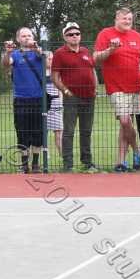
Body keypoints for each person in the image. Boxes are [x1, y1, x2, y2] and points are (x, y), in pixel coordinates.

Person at [94, 8, 140, 173]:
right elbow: (96, 58)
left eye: (129, 19)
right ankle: (137, 150)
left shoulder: (135, 35)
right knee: (125, 121)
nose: (127, 21)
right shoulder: (106, 34)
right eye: (124, 19)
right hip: (116, 86)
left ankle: (120, 162)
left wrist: (138, 58)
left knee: (125, 126)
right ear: (116, 19)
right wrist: (111, 50)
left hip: (134, 86)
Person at [51, 21, 99, 172]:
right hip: (71, 97)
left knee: (86, 131)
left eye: (77, 33)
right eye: (70, 34)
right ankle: (68, 164)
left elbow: (92, 70)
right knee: (69, 131)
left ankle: (87, 162)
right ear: (65, 37)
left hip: (89, 97)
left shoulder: (85, 51)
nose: (74, 36)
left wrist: (95, 88)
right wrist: (66, 91)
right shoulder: (59, 53)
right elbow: (55, 76)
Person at [3, 28, 47, 173]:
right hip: (21, 99)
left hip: (38, 98)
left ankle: (35, 164)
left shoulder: (39, 52)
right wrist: (7, 52)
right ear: (18, 39)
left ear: (33, 37)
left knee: (38, 132)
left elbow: (45, 59)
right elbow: (6, 64)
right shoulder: (15, 54)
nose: (26, 38)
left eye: (29, 35)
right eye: (23, 36)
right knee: (22, 132)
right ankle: (24, 164)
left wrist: (37, 49)